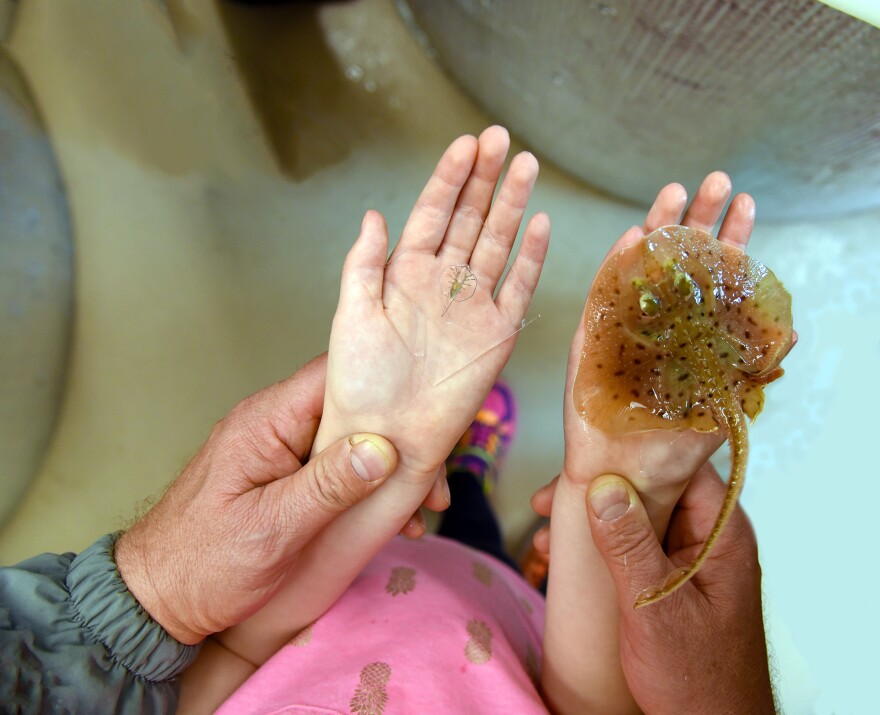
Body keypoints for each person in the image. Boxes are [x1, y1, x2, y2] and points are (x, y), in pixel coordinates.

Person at [0, 126, 779, 714]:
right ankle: (489, 501)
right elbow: (584, 702)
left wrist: (383, 457)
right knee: (482, 541)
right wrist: (609, 492)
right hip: (528, 638)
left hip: (337, 585)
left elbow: (236, 654)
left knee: (454, 515)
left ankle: (462, 472)